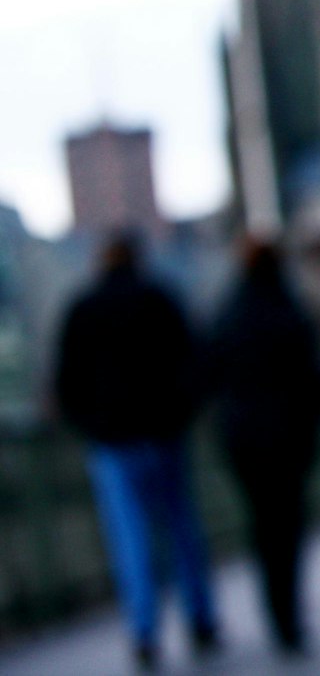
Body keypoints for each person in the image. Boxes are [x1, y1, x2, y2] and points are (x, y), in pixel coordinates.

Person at [54, 233, 219, 671]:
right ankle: (201, 620)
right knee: (182, 529)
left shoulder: (83, 307)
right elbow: (196, 362)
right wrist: (179, 415)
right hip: (164, 435)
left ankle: (145, 633)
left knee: (131, 538)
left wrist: (92, 425)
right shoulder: (159, 299)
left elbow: (66, 382)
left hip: (113, 442)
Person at [208, 240, 320, 656]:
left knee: (262, 525)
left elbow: (206, 372)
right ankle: (287, 618)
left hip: (244, 442)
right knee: (288, 527)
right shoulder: (291, 311)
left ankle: (275, 613)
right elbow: (318, 380)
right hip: (288, 440)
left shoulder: (228, 312)